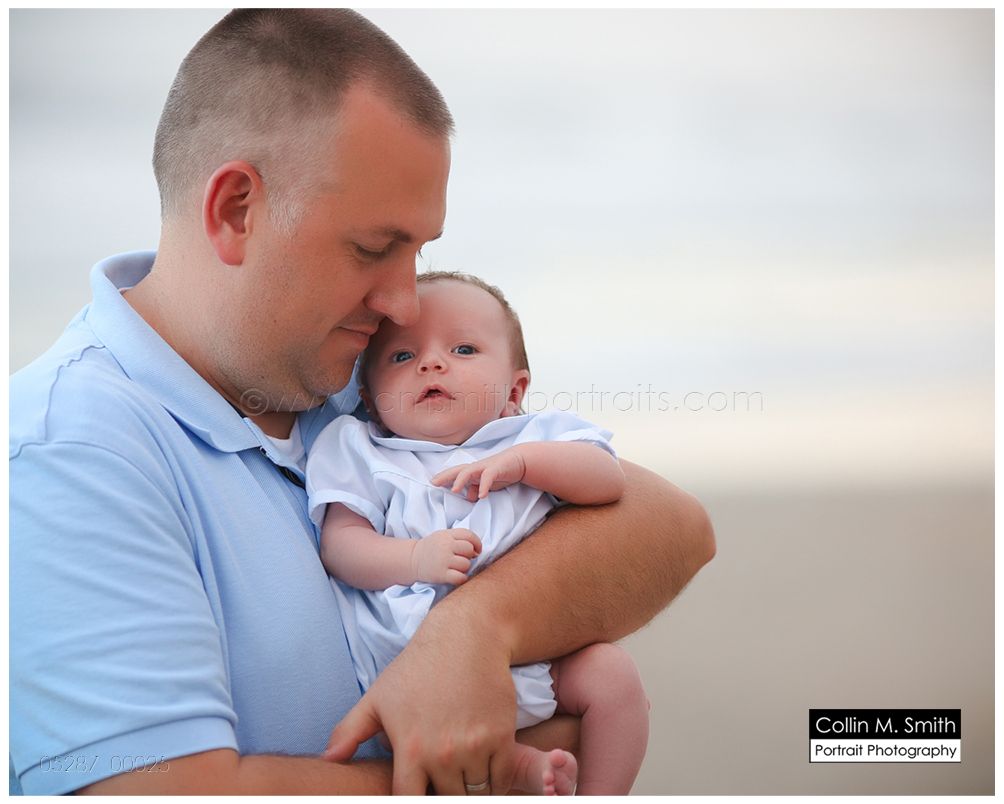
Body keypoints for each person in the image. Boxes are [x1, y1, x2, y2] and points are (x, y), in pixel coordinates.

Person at [9, 9, 715, 796]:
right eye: (375, 249)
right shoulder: (68, 454)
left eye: (419, 253)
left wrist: (475, 630)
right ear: (237, 210)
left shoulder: (352, 368)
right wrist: (480, 775)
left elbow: (674, 526)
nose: (407, 305)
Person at [308, 271, 649, 795]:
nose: (431, 362)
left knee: (615, 677)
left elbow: (608, 481)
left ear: (514, 391)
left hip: (537, 645)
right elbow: (341, 545)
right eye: (402, 357)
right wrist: (415, 559)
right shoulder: (361, 450)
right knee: (421, 711)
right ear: (371, 401)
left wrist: (526, 463)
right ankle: (514, 765)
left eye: (464, 348)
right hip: (409, 651)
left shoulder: (535, 437)